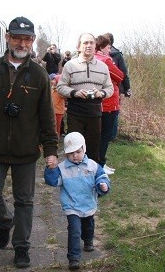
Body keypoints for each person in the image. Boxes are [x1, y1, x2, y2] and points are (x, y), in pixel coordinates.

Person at [0, 16, 59, 268]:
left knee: (25, 200)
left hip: (26, 149)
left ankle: (21, 246)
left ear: (32, 42)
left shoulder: (38, 75)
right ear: (7, 38)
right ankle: (6, 220)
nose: (22, 43)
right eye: (17, 37)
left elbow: (47, 117)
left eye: (27, 39)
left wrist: (50, 149)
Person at [44, 132, 110, 270]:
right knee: (74, 231)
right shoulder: (62, 168)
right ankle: (74, 258)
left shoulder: (92, 165)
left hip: (88, 203)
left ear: (84, 149)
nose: (75, 156)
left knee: (88, 226)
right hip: (72, 205)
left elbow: (102, 177)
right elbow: (53, 182)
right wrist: (51, 169)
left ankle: (88, 240)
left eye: (78, 152)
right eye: (71, 153)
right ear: (66, 154)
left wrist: (103, 185)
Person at [56, 33, 113, 164]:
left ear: (95, 46)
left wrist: (101, 93)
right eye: (85, 43)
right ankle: (72, 179)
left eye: (91, 43)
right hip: (75, 113)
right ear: (79, 47)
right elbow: (61, 87)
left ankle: (92, 180)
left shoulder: (103, 67)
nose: (88, 46)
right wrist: (74, 92)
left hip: (95, 113)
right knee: (73, 148)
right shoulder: (70, 65)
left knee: (93, 150)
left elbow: (110, 88)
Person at [94, 35, 124, 174]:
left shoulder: (92, 59)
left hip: (97, 103)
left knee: (97, 135)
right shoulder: (105, 60)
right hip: (108, 103)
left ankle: (99, 162)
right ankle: (99, 164)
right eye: (108, 47)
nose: (110, 49)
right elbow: (120, 76)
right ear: (101, 47)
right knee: (105, 136)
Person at [103, 33, 131, 98]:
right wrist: (127, 89)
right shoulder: (118, 54)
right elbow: (124, 73)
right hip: (116, 87)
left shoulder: (96, 54)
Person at [50, 73, 66, 138]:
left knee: (57, 126)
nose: (52, 81)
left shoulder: (59, 91)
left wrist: (57, 90)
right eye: (53, 79)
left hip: (58, 111)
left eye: (54, 80)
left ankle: (56, 138)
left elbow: (63, 96)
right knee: (53, 126)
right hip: (53, 110)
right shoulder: (52, 89)